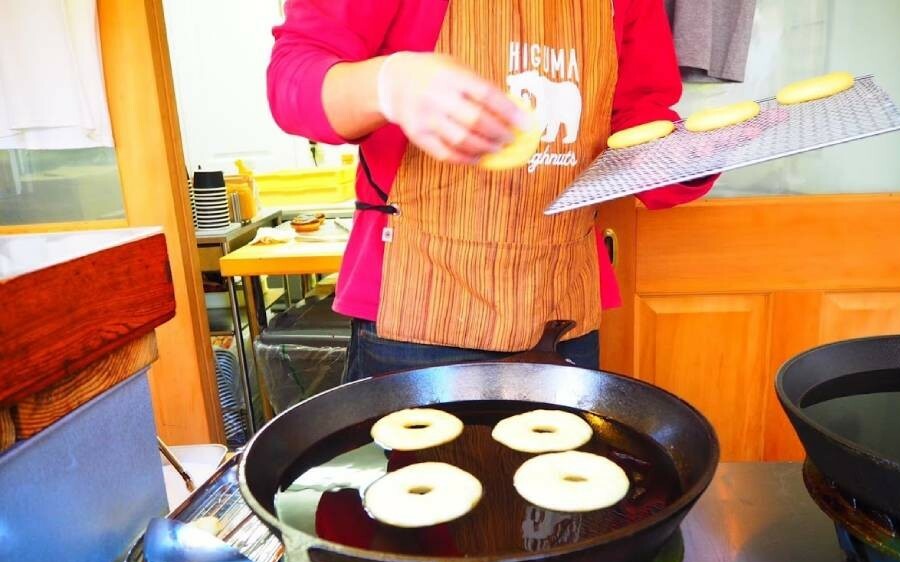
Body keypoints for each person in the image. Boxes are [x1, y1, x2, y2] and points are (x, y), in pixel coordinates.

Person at [268, 0, 717, 380]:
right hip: (418, 311)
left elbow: (633, 114)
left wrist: (689, 157)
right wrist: (390, 83)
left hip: (561, 303)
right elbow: (295, 79)